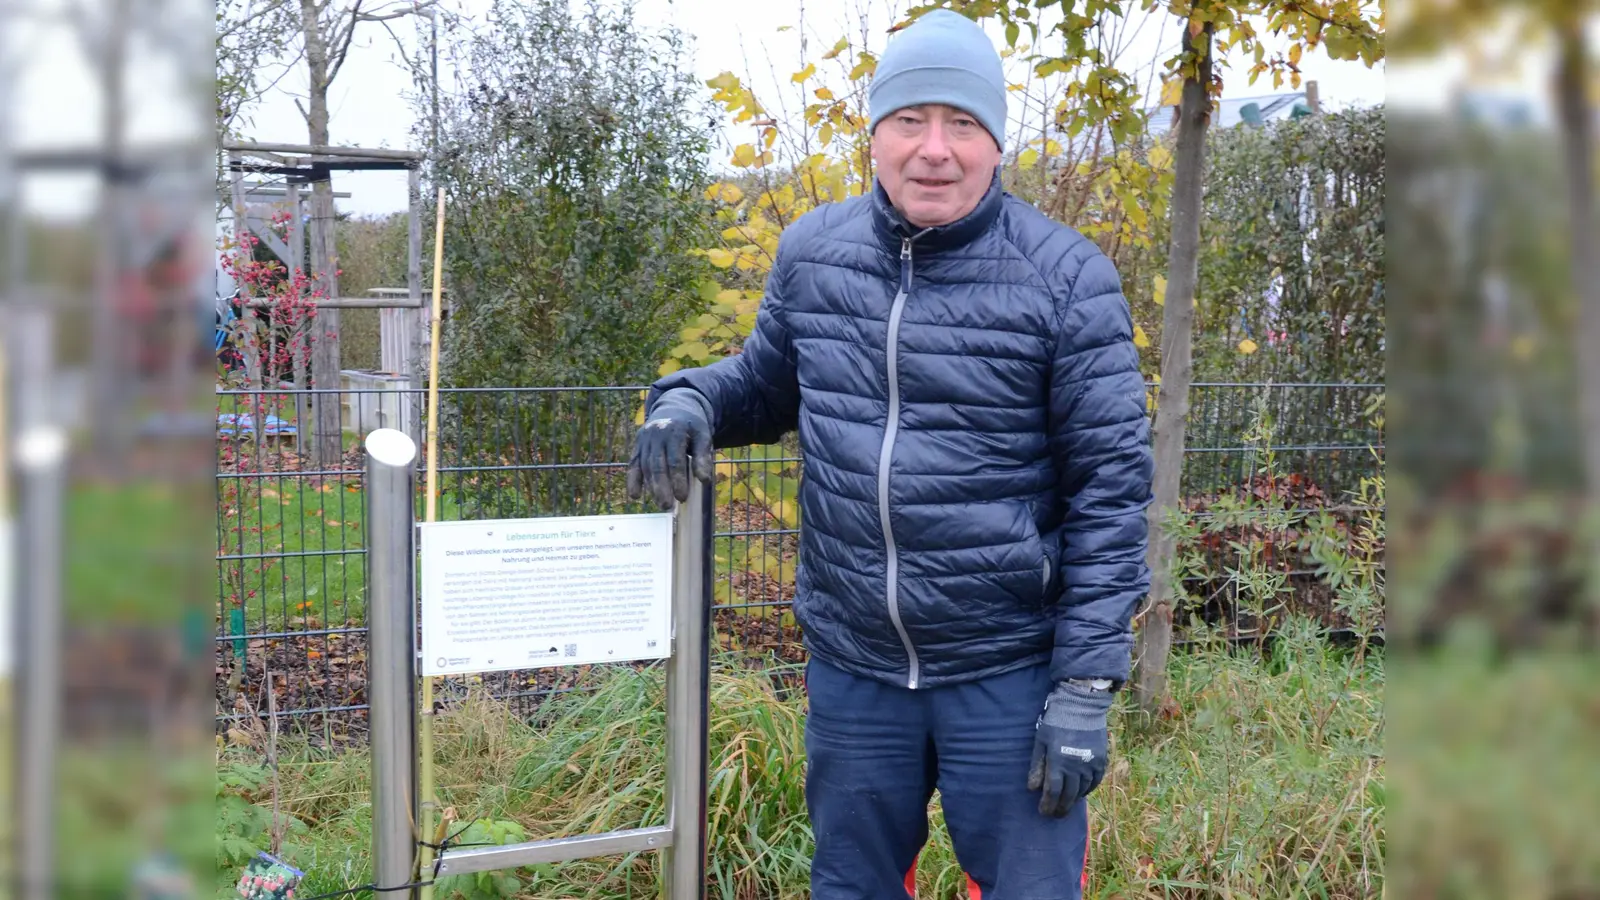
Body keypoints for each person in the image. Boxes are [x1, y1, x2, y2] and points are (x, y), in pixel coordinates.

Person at [626, 9, 1153, 898]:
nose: (934, 149)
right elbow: (762, 384)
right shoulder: (812, 255)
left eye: (963, 124)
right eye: (910, 121)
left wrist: (1086, 686)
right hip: (856, 668)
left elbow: (1111, 494)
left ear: (995, 141)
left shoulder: (1066, 279)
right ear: (874, 135)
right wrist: (685, 397)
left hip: (1008, 669)